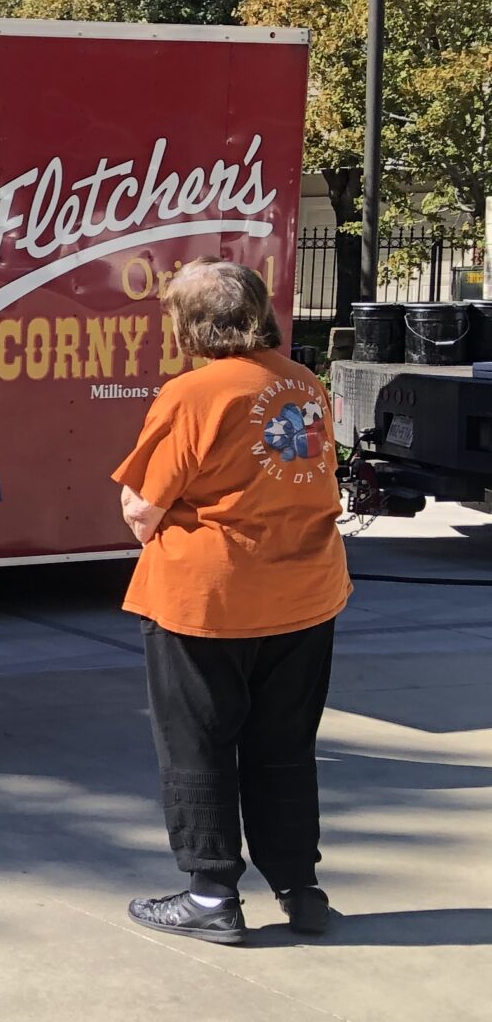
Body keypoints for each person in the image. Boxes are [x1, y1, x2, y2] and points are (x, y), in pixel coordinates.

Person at [114, 262, 349, 942]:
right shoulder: (303, 383)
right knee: (284, 745)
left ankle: (212, 892)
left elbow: (141, 510)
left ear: (189, 325)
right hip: (306, 594)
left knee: (198, 743)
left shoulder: (191, 394)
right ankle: (299, 888)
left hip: (208, 600)